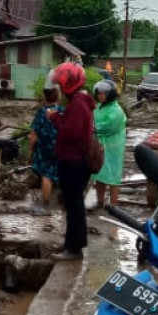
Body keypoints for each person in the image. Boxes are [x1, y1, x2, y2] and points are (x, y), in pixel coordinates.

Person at [46, 62, 95, 262]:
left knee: (74, 205)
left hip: (73, 162)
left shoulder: (77, 104)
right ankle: (72, 243)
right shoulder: (80, 101)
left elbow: (70, 132)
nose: (58, 88)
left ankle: (73, 250)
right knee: (74, 204)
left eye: (60, 84)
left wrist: (55, 117)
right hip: (74, 161)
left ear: (68, 85)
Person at [92, 79, 127, 207]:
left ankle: (113, 205)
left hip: (113, 148)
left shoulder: (116, 110)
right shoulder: (98, 107)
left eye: (103, 93)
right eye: (99, 93)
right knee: (100, 174)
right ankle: (100, 202)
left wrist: (92, 128)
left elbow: (108, 126)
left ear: (110, 94)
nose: (100, 95)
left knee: (114, 175)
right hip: (100, 145)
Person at [29, 84, 62, 216]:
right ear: (58, 96)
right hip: (61, 147)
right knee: (60, 173)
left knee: (46, 175)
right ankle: (61, 201)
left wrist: (30, 151)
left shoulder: (41, 113)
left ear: (45, 97)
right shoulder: (63, 110)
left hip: (44, 148)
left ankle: (46, 204)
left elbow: (33, 135)